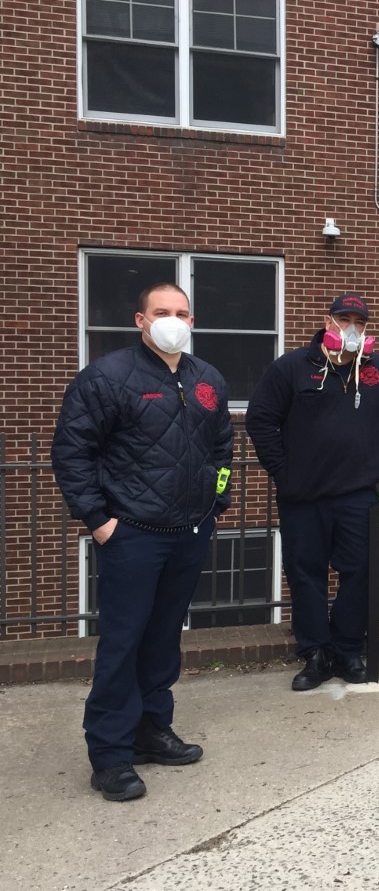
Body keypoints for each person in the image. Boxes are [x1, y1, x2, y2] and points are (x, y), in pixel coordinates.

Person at [52, 283, 233, 802]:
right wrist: (98, 519)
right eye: (161, 312)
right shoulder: (106, 377)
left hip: (188, 532)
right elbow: (73, 451)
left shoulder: (207, 379)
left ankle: (152, 731)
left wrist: (215, 504)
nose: (171, 320)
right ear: (140, 320)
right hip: (132, 534)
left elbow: (222, 450)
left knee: (161, 642)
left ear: (192, 321)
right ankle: (109, 754)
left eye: (181, 313)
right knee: (122, 643)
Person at [245, 294, 379, 692]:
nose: (350, 327)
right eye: (343, 319)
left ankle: (348, 648)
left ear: (366, 328)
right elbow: (261, 420)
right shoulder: (292, 368)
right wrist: (283, 472)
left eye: (358, 321)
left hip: (358, 496)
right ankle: (316, 653)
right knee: (305, 575)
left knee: (360, 573)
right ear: (327, 323)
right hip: (303, 498)